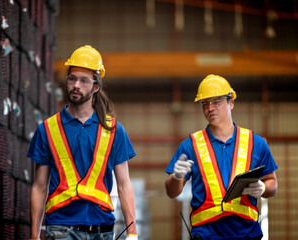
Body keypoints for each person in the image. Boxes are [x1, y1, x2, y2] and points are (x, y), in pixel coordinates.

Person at [28, 45, 138, 240]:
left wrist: (132, 231)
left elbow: (124, 184)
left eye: (83, 81)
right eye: (72, 79)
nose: (76, 85)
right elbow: (39, 186)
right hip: (61, 228)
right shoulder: (47, 129)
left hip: (102, 228)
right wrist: (34, 236)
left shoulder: (113, 130)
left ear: (96, 87)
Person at [165, 74, 278, 240]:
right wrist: (176, 177)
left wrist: (263, 188)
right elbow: (172, 192)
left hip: (247, 233)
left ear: (231, 103)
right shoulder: (189, 146)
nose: (210, 108)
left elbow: (272, 183)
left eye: (216, 102)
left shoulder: (256, 143)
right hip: (205, 235)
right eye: (205, 104)